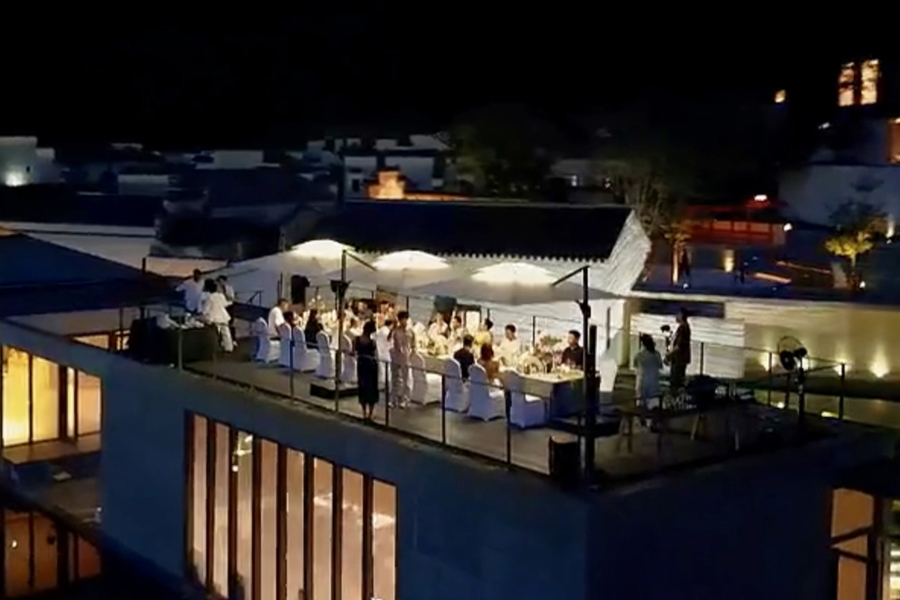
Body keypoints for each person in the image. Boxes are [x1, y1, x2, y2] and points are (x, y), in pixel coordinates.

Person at [199, 279, 234, 352]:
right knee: (226, 333)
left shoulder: (209, 298)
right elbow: (225, 304)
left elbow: (205, 310)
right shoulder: (220, 295)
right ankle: (229, 347)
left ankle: (214, 348)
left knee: (216, 333)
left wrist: (201, 315)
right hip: (223, 316)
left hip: (214, 317)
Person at [355, 320, 380, 420]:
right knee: (372, 388)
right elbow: (375, 354)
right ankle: (370, 412)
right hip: (371, 365)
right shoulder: (372, 342)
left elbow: (353, 351)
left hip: (361, 364)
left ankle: (364, 412)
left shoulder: (357, 339)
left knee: (362, 386)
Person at [388, 311, 412, 407]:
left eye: (405, 319)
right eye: (402, 319)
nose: (403, 321)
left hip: (405, 357)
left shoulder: (410, 331)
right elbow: (388, 339)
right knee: (394, 378)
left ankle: (405, 399)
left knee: (406, 379)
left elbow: (413, 344)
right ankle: (393, 398)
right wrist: (392, 329)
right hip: (395, 356)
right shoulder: (395, 330)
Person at [633, 334, 663, 409]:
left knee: (640, 408)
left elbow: (635, 366)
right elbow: (660, 366)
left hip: (642, 384)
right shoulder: (657, 354)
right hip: (654, 385)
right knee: (653, 408)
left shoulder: (639, 355)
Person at [667, 308, 692, 393]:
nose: (676, 316)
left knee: (675, 381)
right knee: (680, 379)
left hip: (678, 359)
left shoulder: (682, 328)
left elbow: (679, 346)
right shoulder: (686, 327)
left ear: (681, 316)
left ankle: (675, 396)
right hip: (682, 358)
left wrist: (669, 355)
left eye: (677, 315)